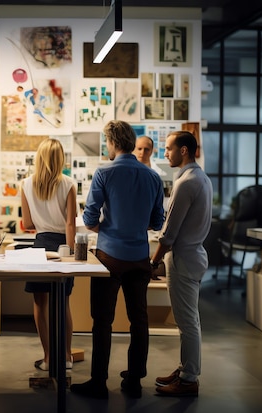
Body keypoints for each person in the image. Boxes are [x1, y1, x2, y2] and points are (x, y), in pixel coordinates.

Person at [70, 120, 164, 400]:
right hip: (139, 257)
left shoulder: (104, 172)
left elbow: (89, 219)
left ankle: (99, 381)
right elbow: (157, 221)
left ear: (112, 142)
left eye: (106, 142)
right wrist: (133, 227)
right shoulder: (152, 177)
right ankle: (134, 380)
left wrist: (108, 228)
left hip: (109, 257)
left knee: (102, 320)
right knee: (139, 320)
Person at [150, 130, 212, 397]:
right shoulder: (201, 178)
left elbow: (169, 232)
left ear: (183, 150)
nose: (165, 152)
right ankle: (186, 368)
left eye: (168, 148)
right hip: (193, 256)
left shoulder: (186, 182)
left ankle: (189, 378)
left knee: (187, 323)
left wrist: (153, 262)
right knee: (189, 321)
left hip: (184, 260)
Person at [20, 138, 77, 371]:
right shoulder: (69, 184)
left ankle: (47, 358)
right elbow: (70, 224)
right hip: (63, 245)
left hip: (41, 244)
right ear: (60, 158)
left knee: (40, 302)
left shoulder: (26, 184)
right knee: (63, 302)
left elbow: (27, 223)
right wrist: (72, 254)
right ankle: (66, 357)